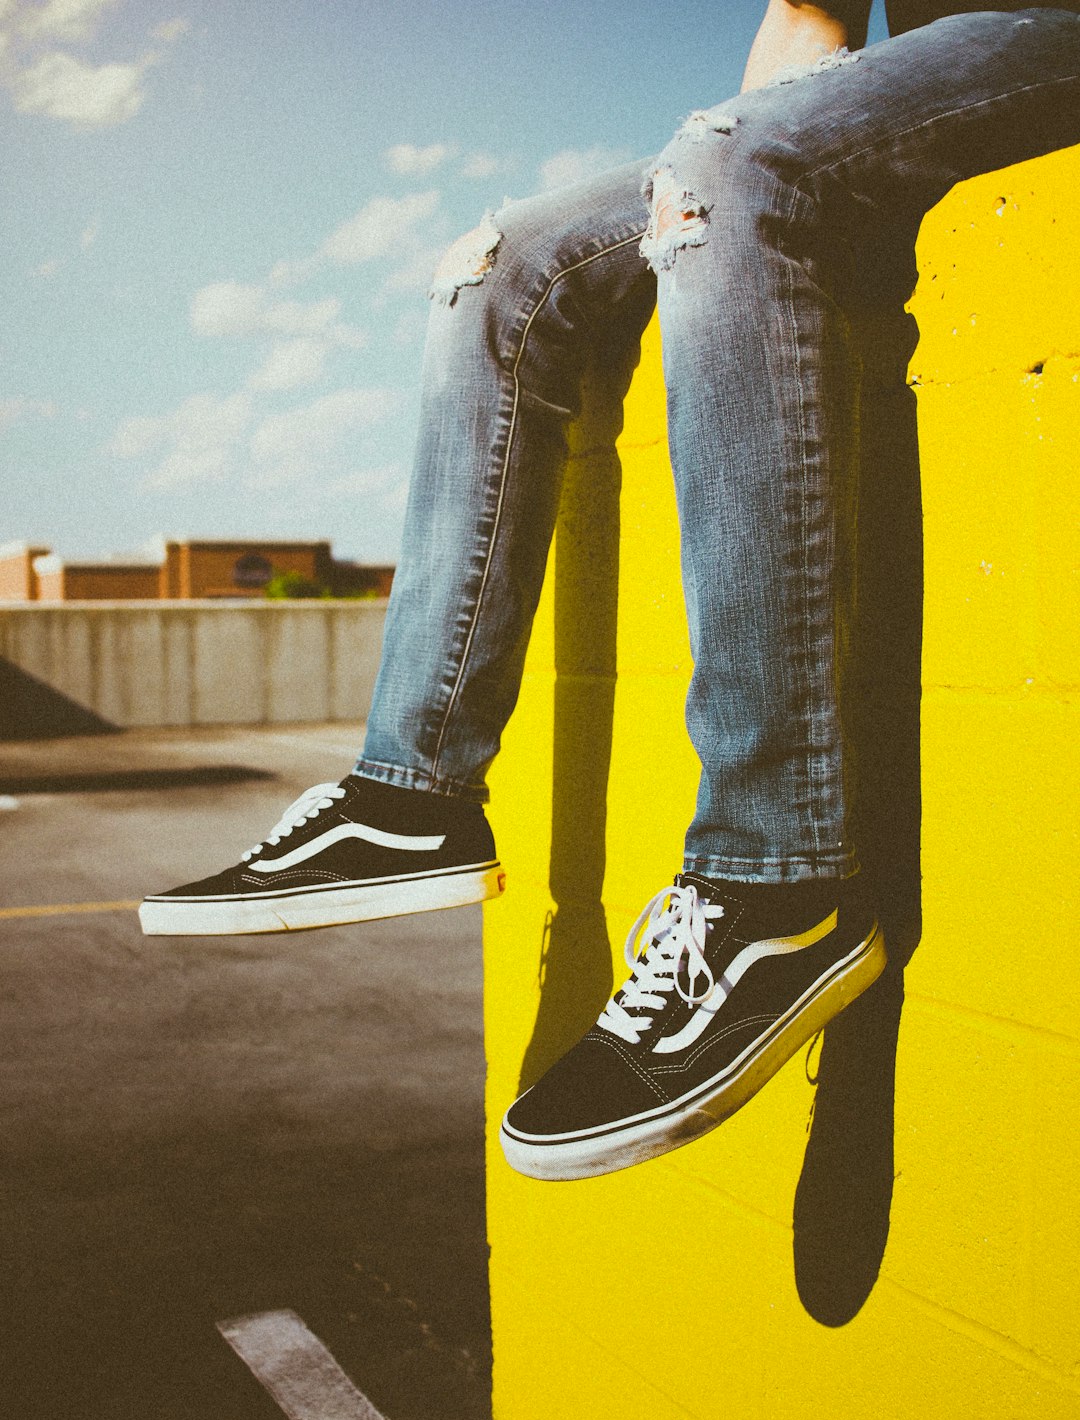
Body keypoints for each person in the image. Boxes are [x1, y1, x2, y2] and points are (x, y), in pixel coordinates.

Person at [139, 2, 1080, 1180]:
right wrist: (721, 179)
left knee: (728, 171)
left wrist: (730, 171)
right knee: (497, 269)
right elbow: (811, 21)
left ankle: (774, 878)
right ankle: (411, 789)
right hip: (922, 64)